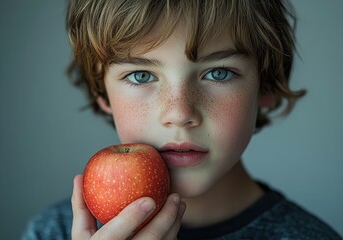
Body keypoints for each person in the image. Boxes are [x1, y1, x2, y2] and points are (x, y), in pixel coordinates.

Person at [22, 0, 342, 239]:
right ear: (101, 93)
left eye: (218, 73)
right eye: (141, 74)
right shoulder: (53, 231)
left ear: (266, 86)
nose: (179, 114)